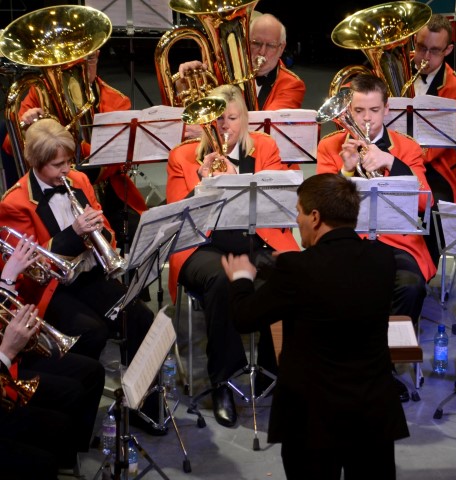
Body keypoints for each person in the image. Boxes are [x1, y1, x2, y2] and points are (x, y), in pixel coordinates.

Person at [221, 173, 409, 479]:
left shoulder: (297, 270)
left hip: (312, 417)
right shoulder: (383, 258)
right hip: (371, 412)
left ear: (316, 217)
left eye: (299, 212)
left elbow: (245, 318)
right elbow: (337, 278)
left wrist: (241, 279)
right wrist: (295, 264)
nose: (297, 220)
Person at [0, 118, 163, 435]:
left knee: (140, 317)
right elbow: (32, 268)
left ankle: (143, 406)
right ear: (36, 163)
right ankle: (73, 421)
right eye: (57, 165)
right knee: (92, 332)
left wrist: (102, 232)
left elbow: (105, 228)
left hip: (89, 275)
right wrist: (74, 233)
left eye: (68, 161)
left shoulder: (79, 180)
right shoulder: (15, 202)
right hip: (51, 289)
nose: (66, 170)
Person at [166, 83, 300, 428]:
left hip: (256, 240)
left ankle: (275, 369)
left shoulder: (265, 147)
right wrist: (202, 184)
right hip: (204, 247)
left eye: (232, 118)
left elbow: (277, 202)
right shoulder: (183, 156)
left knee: (293, 273)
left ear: (245, 118)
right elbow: (175, 216)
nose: (224, 126)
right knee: (223, 280)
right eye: (217, 119)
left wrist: (236, 178)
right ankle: (222, 381)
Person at [316, 74, 434, 402]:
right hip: (347, 241)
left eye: (374, 110)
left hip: (396, 241)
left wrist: (391, 162)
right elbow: (320, 208)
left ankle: (385, 366)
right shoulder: (330, 146)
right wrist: (346, 171)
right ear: (348, 110)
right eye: (358, 111)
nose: (366, 118)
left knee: (410, 286)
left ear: (387, 109)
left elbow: (424, 202)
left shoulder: (407, 148)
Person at [2, 49, 148, 255]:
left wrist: (75, 151)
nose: (80, 67)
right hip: (48, 187)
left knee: (140, 234)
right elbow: (10, 146)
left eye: (89, 59)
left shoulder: (115, 100)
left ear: (98, 56)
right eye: (71, 61)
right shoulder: (39, 93)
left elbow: (117, 159)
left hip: (105, 186)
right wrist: (25, 127)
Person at [0, 234, 105, 478]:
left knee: (91, 373)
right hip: (7, 365)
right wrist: (7, 280)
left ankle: (68, 458)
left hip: (10, 355)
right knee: (66, 405)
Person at [411, 13, 456, 267]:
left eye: (434, 51)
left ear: (448, 50)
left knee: (433, 206)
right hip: (389, 156)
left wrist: (402, 158)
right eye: (421, 47)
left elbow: (434, 146)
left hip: (434, 167)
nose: (425, 57)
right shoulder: (397, 68)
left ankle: (423, 268)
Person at [177, 13, 305, 111]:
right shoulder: (224, 70)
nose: (262, 51)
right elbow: (190, 103)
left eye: (270, 45)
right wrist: (185, 82)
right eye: (256, 43)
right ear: (246, 42)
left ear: (281, 48)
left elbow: (267, 124)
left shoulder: (291, 84)